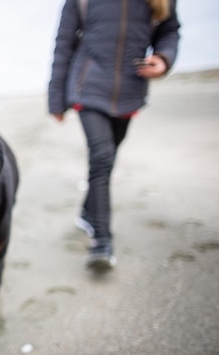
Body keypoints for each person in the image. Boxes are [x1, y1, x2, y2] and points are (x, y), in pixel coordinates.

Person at [48, 0, 180, 269]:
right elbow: (63, 45)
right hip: (88, 87)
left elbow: (170, 30)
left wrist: (164, 58)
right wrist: (56, 99)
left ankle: (87, 213)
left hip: (130, 90)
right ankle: (102, 241)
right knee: (102, 157)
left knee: (107, 159)